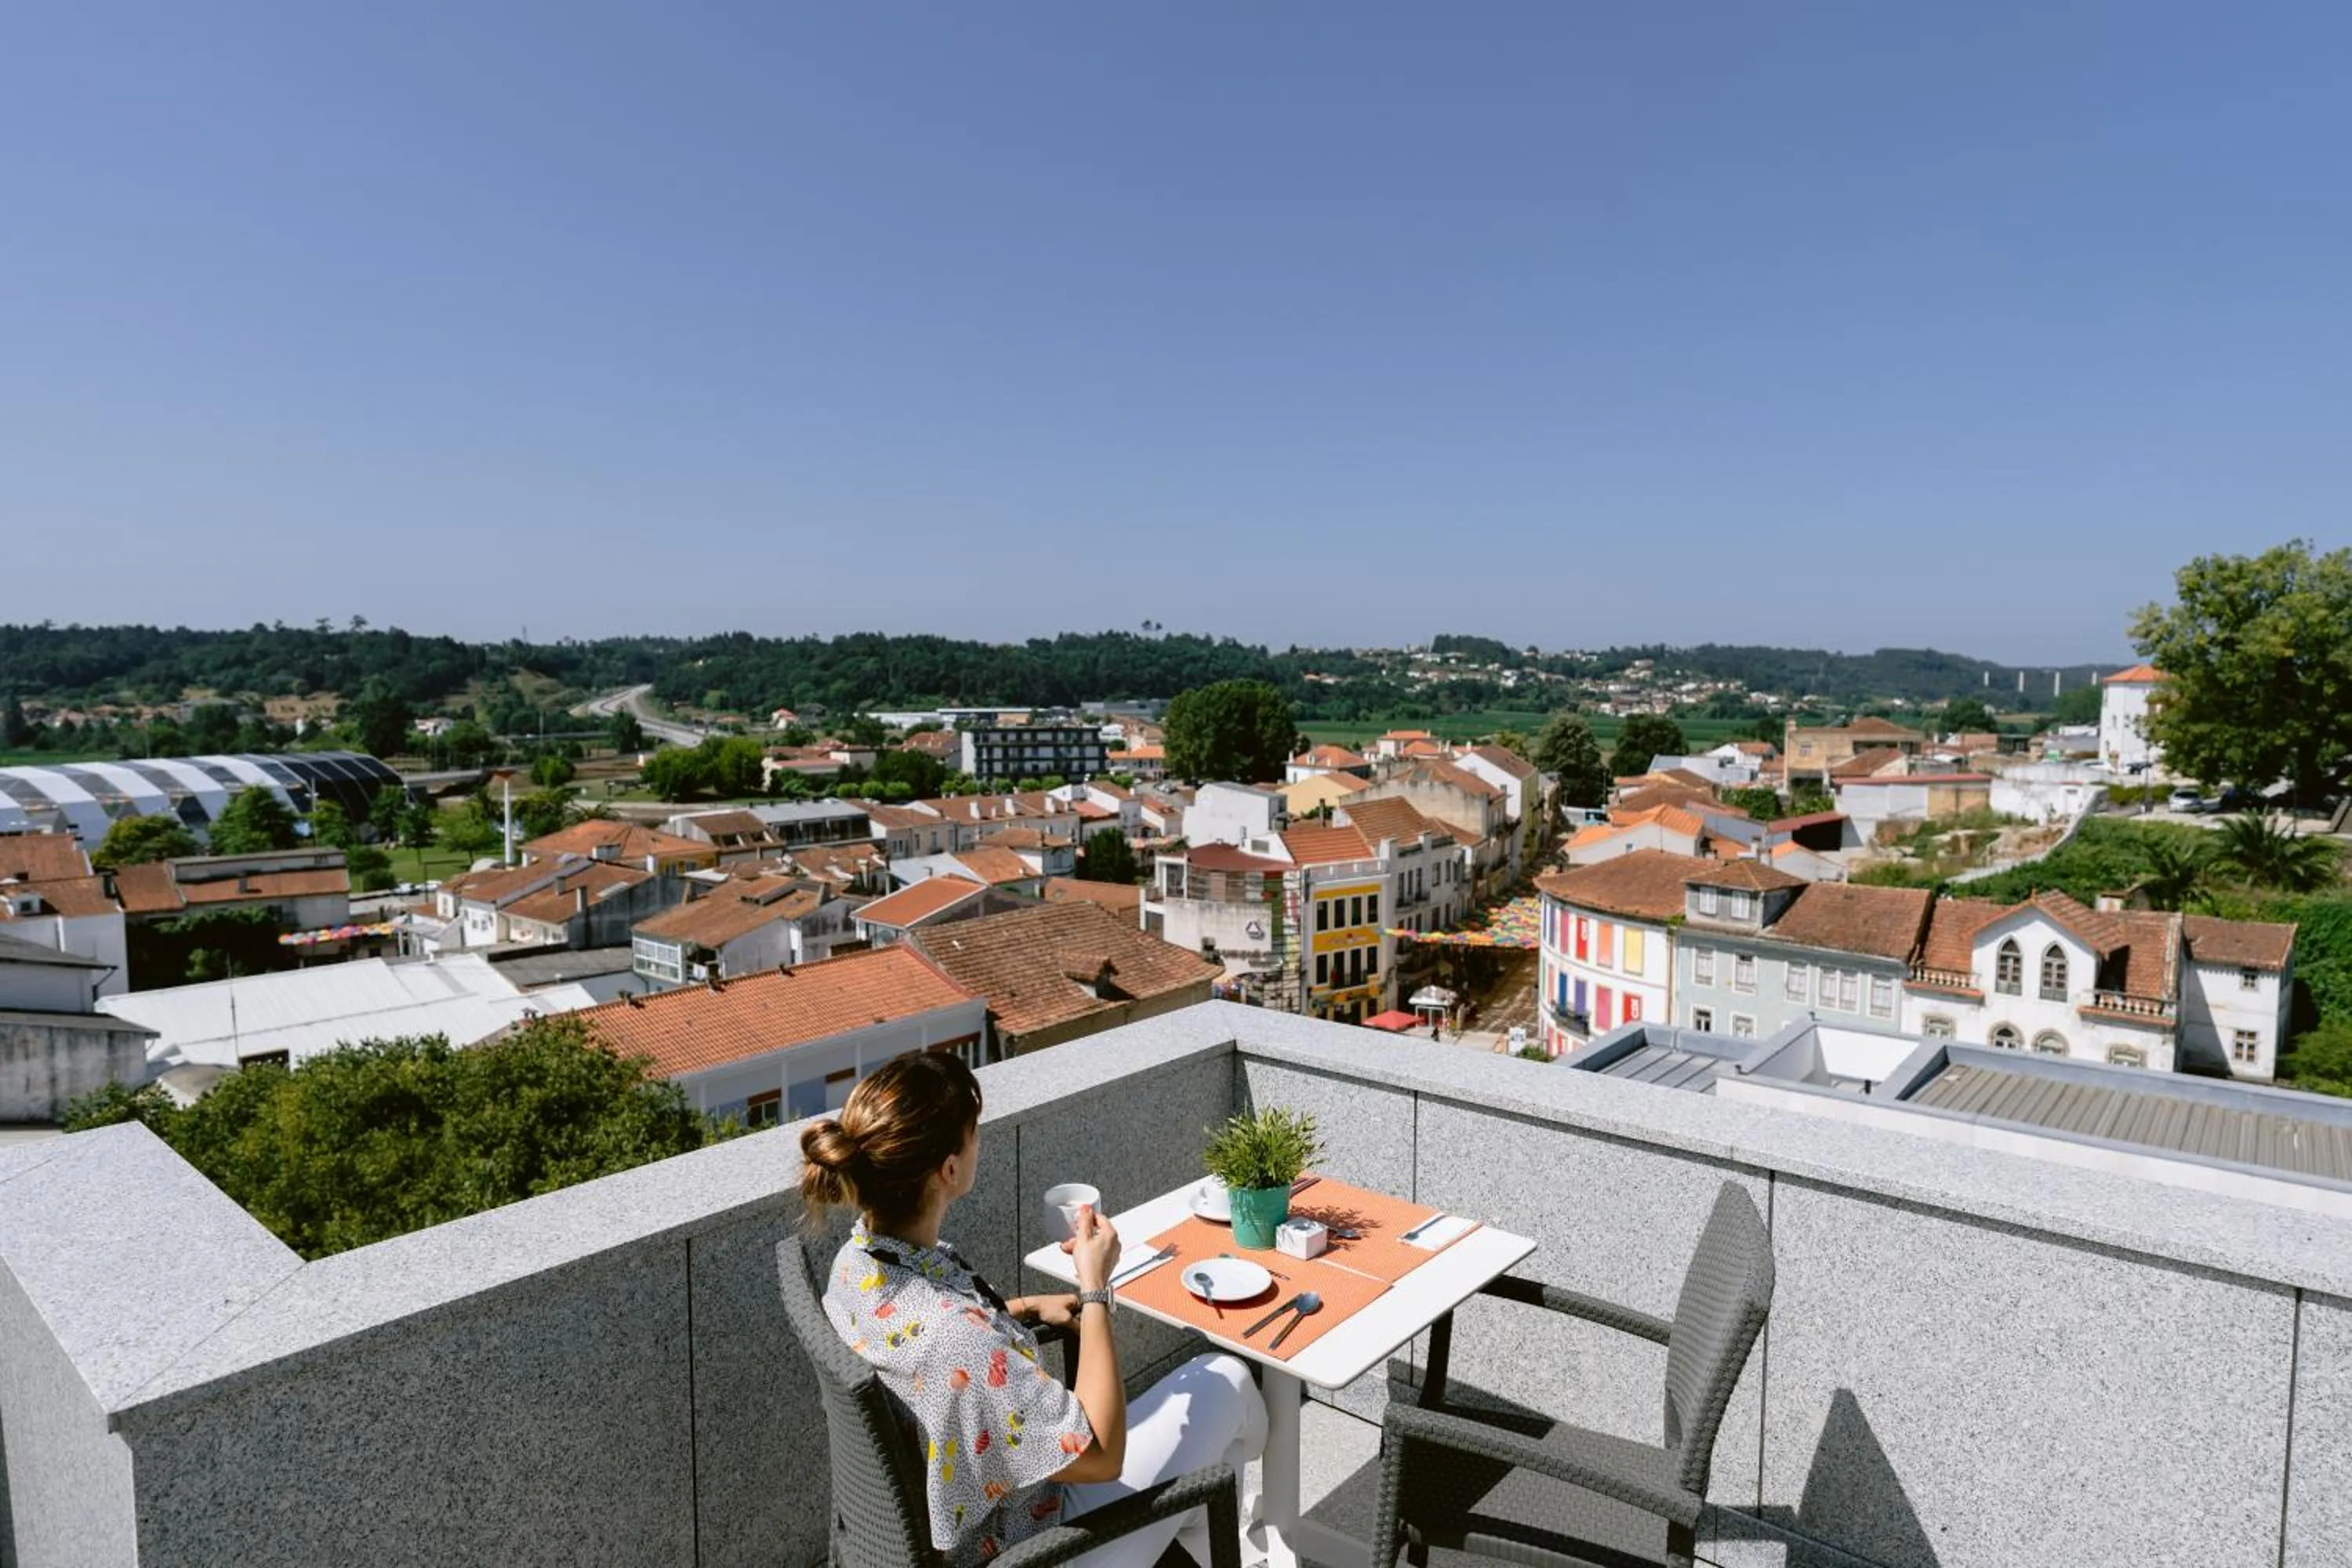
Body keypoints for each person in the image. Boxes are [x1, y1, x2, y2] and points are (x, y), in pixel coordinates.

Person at [802, 1053, 1265, 1568]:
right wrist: (1094, 1289)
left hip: (964, 1526)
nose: (980, 1141)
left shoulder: (858, 1260)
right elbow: (1103, 1457)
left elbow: (925, 1348)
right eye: (973, 1131)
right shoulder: (962, 1342)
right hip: (1035, 1545)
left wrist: (1018, 1309)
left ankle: (1210, 1538)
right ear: (948, 1168)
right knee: (1227, 1379)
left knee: (1204, 1482)